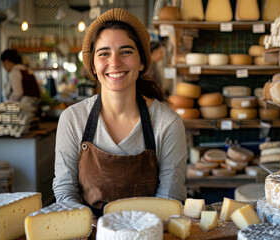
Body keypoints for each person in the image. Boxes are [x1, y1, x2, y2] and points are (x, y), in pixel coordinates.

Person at [52, 8, 187, 218]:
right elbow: (65, 192)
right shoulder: (72, 119)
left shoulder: (167, 123)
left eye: (126, 51)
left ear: (142, 62)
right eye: (104, 53)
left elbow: (169, 200)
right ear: (93, 65)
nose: (114, 62)